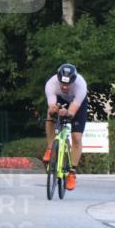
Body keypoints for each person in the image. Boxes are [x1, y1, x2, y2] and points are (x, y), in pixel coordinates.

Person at [42, 63, 88, 191]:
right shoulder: (51, 84)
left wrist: (67, 112)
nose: (64, 86)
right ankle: (51, 148)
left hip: (77, 103)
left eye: (68, 84)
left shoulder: (81, 86)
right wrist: (55, 110)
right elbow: (51, 108)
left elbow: (72, 112)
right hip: (60, 100)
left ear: (74, 81)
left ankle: (72, 172)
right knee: (49, 115)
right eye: (62, 83)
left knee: (76, 137)